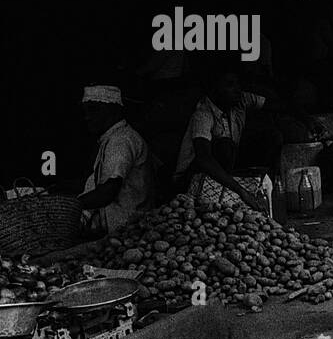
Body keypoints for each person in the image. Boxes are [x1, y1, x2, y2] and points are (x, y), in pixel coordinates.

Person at [174, 66, 278, 210]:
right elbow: (204, 158)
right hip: (191, 178)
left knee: (271, 136)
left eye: (238, 85)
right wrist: (242, 192)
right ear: (214, 89)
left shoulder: (239, 102)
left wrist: (307, 120)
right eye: (229, 85)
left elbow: (277, 105)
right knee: (225, 146)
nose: (237, 90)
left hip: (223, 172)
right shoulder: (203, 114)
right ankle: (221, 197)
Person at [77, 85, 153, 235]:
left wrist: (69, 205)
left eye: (93, 110)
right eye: (85, 112)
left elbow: (107, 192)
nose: (87, 117)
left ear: (113, 111)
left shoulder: (121, 140)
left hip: (127, 230)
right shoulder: (111, 138)